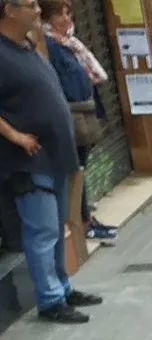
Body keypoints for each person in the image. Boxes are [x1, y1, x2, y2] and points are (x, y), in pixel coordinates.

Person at [0, 0, 97, 323]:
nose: (38, 10)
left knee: (55, 227)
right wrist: (15, 136)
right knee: (41, 230)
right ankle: (50, 300)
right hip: (28, 159)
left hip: (55, 155)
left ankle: (63, 288)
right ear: (9, 10)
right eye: (30, 4)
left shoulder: (27, 46)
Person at [40, 0, 114, 241]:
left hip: (85, 113)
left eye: (67, 12)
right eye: (59, 14)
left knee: (81, 167)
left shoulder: (68, 43)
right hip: (73, 117)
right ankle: (81, 221)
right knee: (75, 170)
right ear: (47, 18)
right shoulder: (50, 46)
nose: (66, 18)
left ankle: (86, 218)